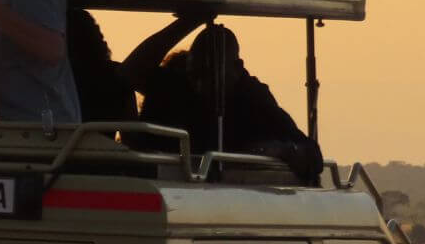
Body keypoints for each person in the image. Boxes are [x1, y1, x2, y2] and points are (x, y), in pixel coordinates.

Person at [121, 16, 323, 183]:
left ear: (237, 68)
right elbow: (128, 73)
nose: (200, 84)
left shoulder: (253, 98)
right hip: (161, 180)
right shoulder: (177, 81)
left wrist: (277, 149)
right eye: (195, 75)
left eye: (210, 76)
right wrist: (188, 21)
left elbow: (312, 154)